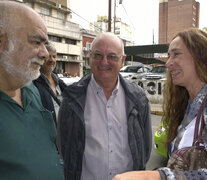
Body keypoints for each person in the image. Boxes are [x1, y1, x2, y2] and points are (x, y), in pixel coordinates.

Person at [113, 28, 207, 180]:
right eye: (169, 56)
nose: (168, 63)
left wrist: (158, 176)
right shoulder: (186, 106)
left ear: (201, 55)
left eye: (176, 54)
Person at [58, 32, 152, 180]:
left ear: (122, 60)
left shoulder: (138, 98)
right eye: (98, 55)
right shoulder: (71, 99)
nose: (104, 62)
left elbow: (144, 150)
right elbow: (65, 148)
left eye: (112, 56)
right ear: (90, 57)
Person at [0, 2, 64, 180]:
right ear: (1, 41)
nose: (45, 54)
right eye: (36, 42)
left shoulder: (31, 89)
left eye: (46, 44)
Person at [33, 41, 67, 126]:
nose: (52, 60)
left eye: (54, 56)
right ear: (40, 58)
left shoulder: (58, 80)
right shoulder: (33, 83)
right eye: (48, 56)